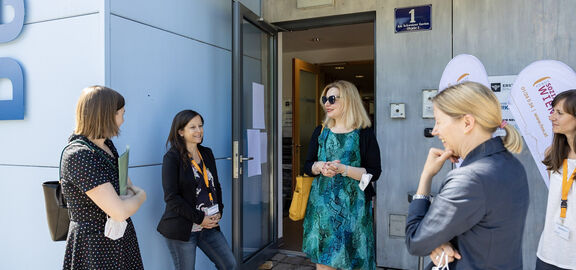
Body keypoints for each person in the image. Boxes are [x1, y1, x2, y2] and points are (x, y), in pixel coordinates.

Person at [405, 81, 529, 269]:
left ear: (467, 123)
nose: (435, 130)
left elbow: (416, 241)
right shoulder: (512, 165)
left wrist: (426, 176)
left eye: (439, 121)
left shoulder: (469, 178)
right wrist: (438, 242)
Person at [61, 86, 147, 269]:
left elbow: (126, 187)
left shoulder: (106, 145)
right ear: (106, 115)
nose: (123, 120)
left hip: (119, 240)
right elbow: (120, 210)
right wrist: (141, 196)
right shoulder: (79, 155)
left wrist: (130, 199)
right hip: (94, 248)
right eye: (121, 114)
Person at [302, 80, 382, 270]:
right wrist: (320, 167)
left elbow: (374, 172)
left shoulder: (364, 133)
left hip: (355, 209)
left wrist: (344, 170)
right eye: (325, 99)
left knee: (354, 261)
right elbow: (307, 166)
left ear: (349, 101)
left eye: (332, 99)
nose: (326, 104)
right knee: (324, 262)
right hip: (323, 209)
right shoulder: (321, 131)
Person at [157, 110, 236, 270]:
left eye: (200, 126)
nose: (199, 130)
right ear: (180, 131)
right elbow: (171, 198)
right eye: (192, 127)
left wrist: (219, 210)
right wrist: (200, 218)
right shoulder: (172, 158)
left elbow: (215, 186)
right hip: (183, 228)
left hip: (209, 226)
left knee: (229, 264)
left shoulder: (206, 153)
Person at [536, 90, 576, 270]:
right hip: (549, 251)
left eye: (559, 113)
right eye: (553, 111)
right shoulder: (553, 154)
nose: (552, 117)